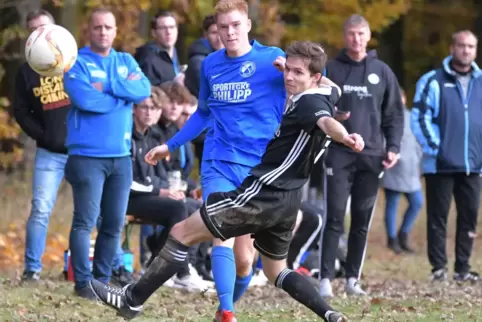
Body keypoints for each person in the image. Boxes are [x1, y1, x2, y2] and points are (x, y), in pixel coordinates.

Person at [88, 40, 360, 322]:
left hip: (261, 192)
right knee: (276, 271)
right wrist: (297, 70)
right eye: (287, 69)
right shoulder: (328, 91)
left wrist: (346, 137)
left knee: (182, 232)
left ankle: (131, 300)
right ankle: (329, 314)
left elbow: (327, 123)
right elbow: (330, 88)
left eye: (298, 73)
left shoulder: (310, 102)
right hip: (289, 199)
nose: (288, 77)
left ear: (314, 77)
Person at [138, 1, 287, 320]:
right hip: (219, 161)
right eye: (223, 27)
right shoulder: (210, 65)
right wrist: (170, 144)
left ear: (248, 25)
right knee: (222, 232)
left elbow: (315, 79)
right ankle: (229, 312)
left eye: (235, 25)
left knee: (245, 260)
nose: (229, 32)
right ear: (215, 30)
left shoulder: (272, 59)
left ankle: (224, 309)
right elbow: (203, 113)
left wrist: (299, 80)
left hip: (258, 168)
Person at [63, 8, 151, 299]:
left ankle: (101, 281)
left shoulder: (125, 60)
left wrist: (111, 86)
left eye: (108, 27)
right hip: (87, 157)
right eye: (98, 27)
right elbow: (86, 100)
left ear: (115, 31)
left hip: (121, 157)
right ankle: (83, 283)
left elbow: (142, 90)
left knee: (113, 223)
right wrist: (121, 98)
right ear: (89, 30)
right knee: (85, 222)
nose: (103, 32)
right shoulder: (77, 64)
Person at [319, 14, 404, 297]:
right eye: (351, 34)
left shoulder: (382, 71)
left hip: (372, 156)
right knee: (334, 217)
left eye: (361, 34)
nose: (356, 39)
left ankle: (353, 279)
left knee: (361, 219)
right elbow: (318, 107)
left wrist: (393, 147)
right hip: (339, 154)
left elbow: (393, 114)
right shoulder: (331, 68)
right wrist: (334, 115)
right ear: (345, 37)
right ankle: (325, 280)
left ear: (368, 37)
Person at [411, 30, 482, 282]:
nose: (466, 50)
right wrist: (437, 149)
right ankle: (438, 268)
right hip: (439, 164)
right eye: (461, 45)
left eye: (471, 46)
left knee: (469, 217)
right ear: (452, 48)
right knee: (437, 219)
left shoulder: (481, 81)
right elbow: (419, 116)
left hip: (473, 166)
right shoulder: (433, 80)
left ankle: (463, 268)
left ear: (475, 50)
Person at [128, 87, 212, 291]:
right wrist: (161, 191)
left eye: (154, 108)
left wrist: (172, 189)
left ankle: (162, 264)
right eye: (145, 107)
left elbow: (161, 175)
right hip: (131, 197)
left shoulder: (152, 136)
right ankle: (180, 271)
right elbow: (127, 180)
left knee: (199, 209)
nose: (149, 112)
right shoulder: (128, 135)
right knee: (177, 208)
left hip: (150, 194)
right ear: (135, 110)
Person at [13, 9, 70, 282]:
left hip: (83, 151)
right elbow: (21, 112)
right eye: (34, 30)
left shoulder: (72, 59)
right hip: (49, 153)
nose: (40, 34)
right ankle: (32, 269)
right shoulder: (26, 72)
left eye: (44, 28)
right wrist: (43, 136)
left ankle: (89, 268)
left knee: (91, 211)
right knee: (40, 209)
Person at [382, 88, 422, 254]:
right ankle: (392, 239)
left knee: (417, 202)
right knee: (392, 203)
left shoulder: (413, 116)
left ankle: (403, 234)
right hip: (394, 166)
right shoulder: (385, 117)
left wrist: (419, 160)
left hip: (412, 169)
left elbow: (418, 140)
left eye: (402, 98)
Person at [134, 10, 184, 86]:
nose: (168, 32)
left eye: (172, 27)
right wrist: (174, 85)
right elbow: (148, 92)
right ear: (154, 33)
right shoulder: (147, 58)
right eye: (163, 28)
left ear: (177, 30)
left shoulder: (173, 52)